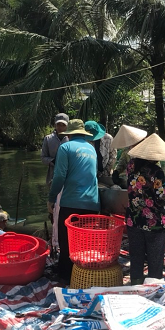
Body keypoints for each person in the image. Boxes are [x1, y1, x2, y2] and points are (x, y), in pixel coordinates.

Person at [47, 119, 100, 283]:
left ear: (69, 134)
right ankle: (84, 275)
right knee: (85, 242)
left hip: (72, 203)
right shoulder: (91, 149)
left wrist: (51, 198)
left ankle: (65, 276)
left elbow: (59, 176)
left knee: (66, 240)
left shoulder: (65, 147)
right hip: (92, 203)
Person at [125, 134, 165, 285]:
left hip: (133, 218)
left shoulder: (131, 165)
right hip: (153, 221)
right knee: (155, 258)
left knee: (136, 255)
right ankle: (153, 286)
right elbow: (159, 198)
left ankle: (135, 284)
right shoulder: (156, 172)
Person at [84, 120, 117, 186]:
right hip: (89, 174)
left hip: (106, 172)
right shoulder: (83, 141)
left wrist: (105, 171)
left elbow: (113, 156)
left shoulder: (108, 139)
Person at [41, 113, 69, 187]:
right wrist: (53, 161)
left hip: (68, 177)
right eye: (59, 124)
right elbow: (43, 158)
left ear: (67, 126)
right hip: (52, 176)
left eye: (63, 125)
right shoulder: (48, 139)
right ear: (55, 125)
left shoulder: (71, 139)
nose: (61, 127)